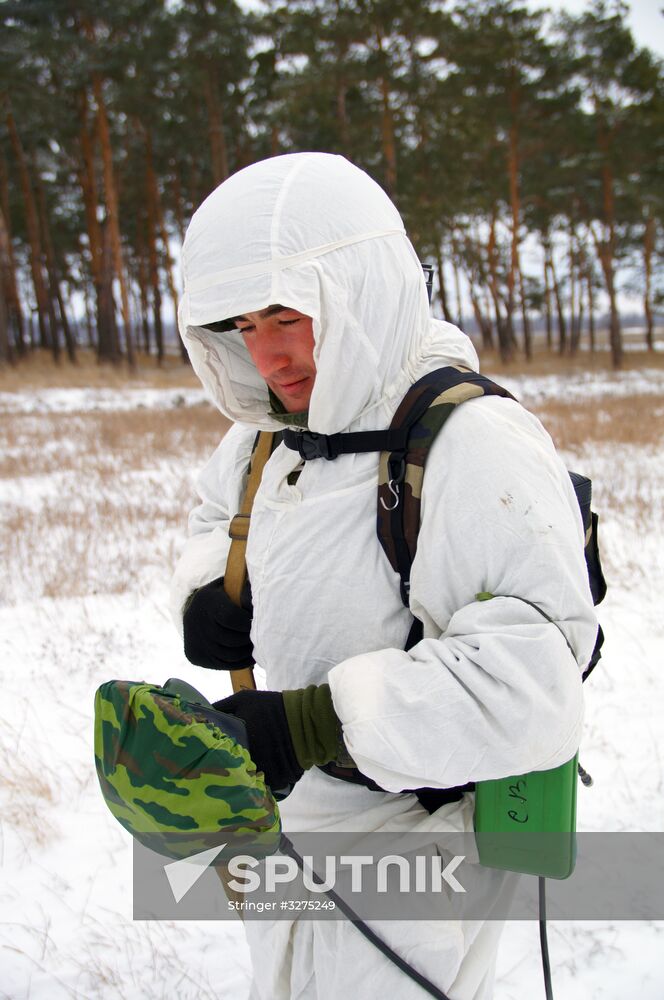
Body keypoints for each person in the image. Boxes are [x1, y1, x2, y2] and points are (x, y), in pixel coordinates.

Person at [170, 152, 597, 999]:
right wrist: (205, 592)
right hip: (298, 817)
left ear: (359, 289)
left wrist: (310, 725)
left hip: (420, 833)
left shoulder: (472, 438)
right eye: (243, 326)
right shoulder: (268, 432)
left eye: (288, 315)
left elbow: (532, 683)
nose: (269, 356)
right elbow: (215, 520)